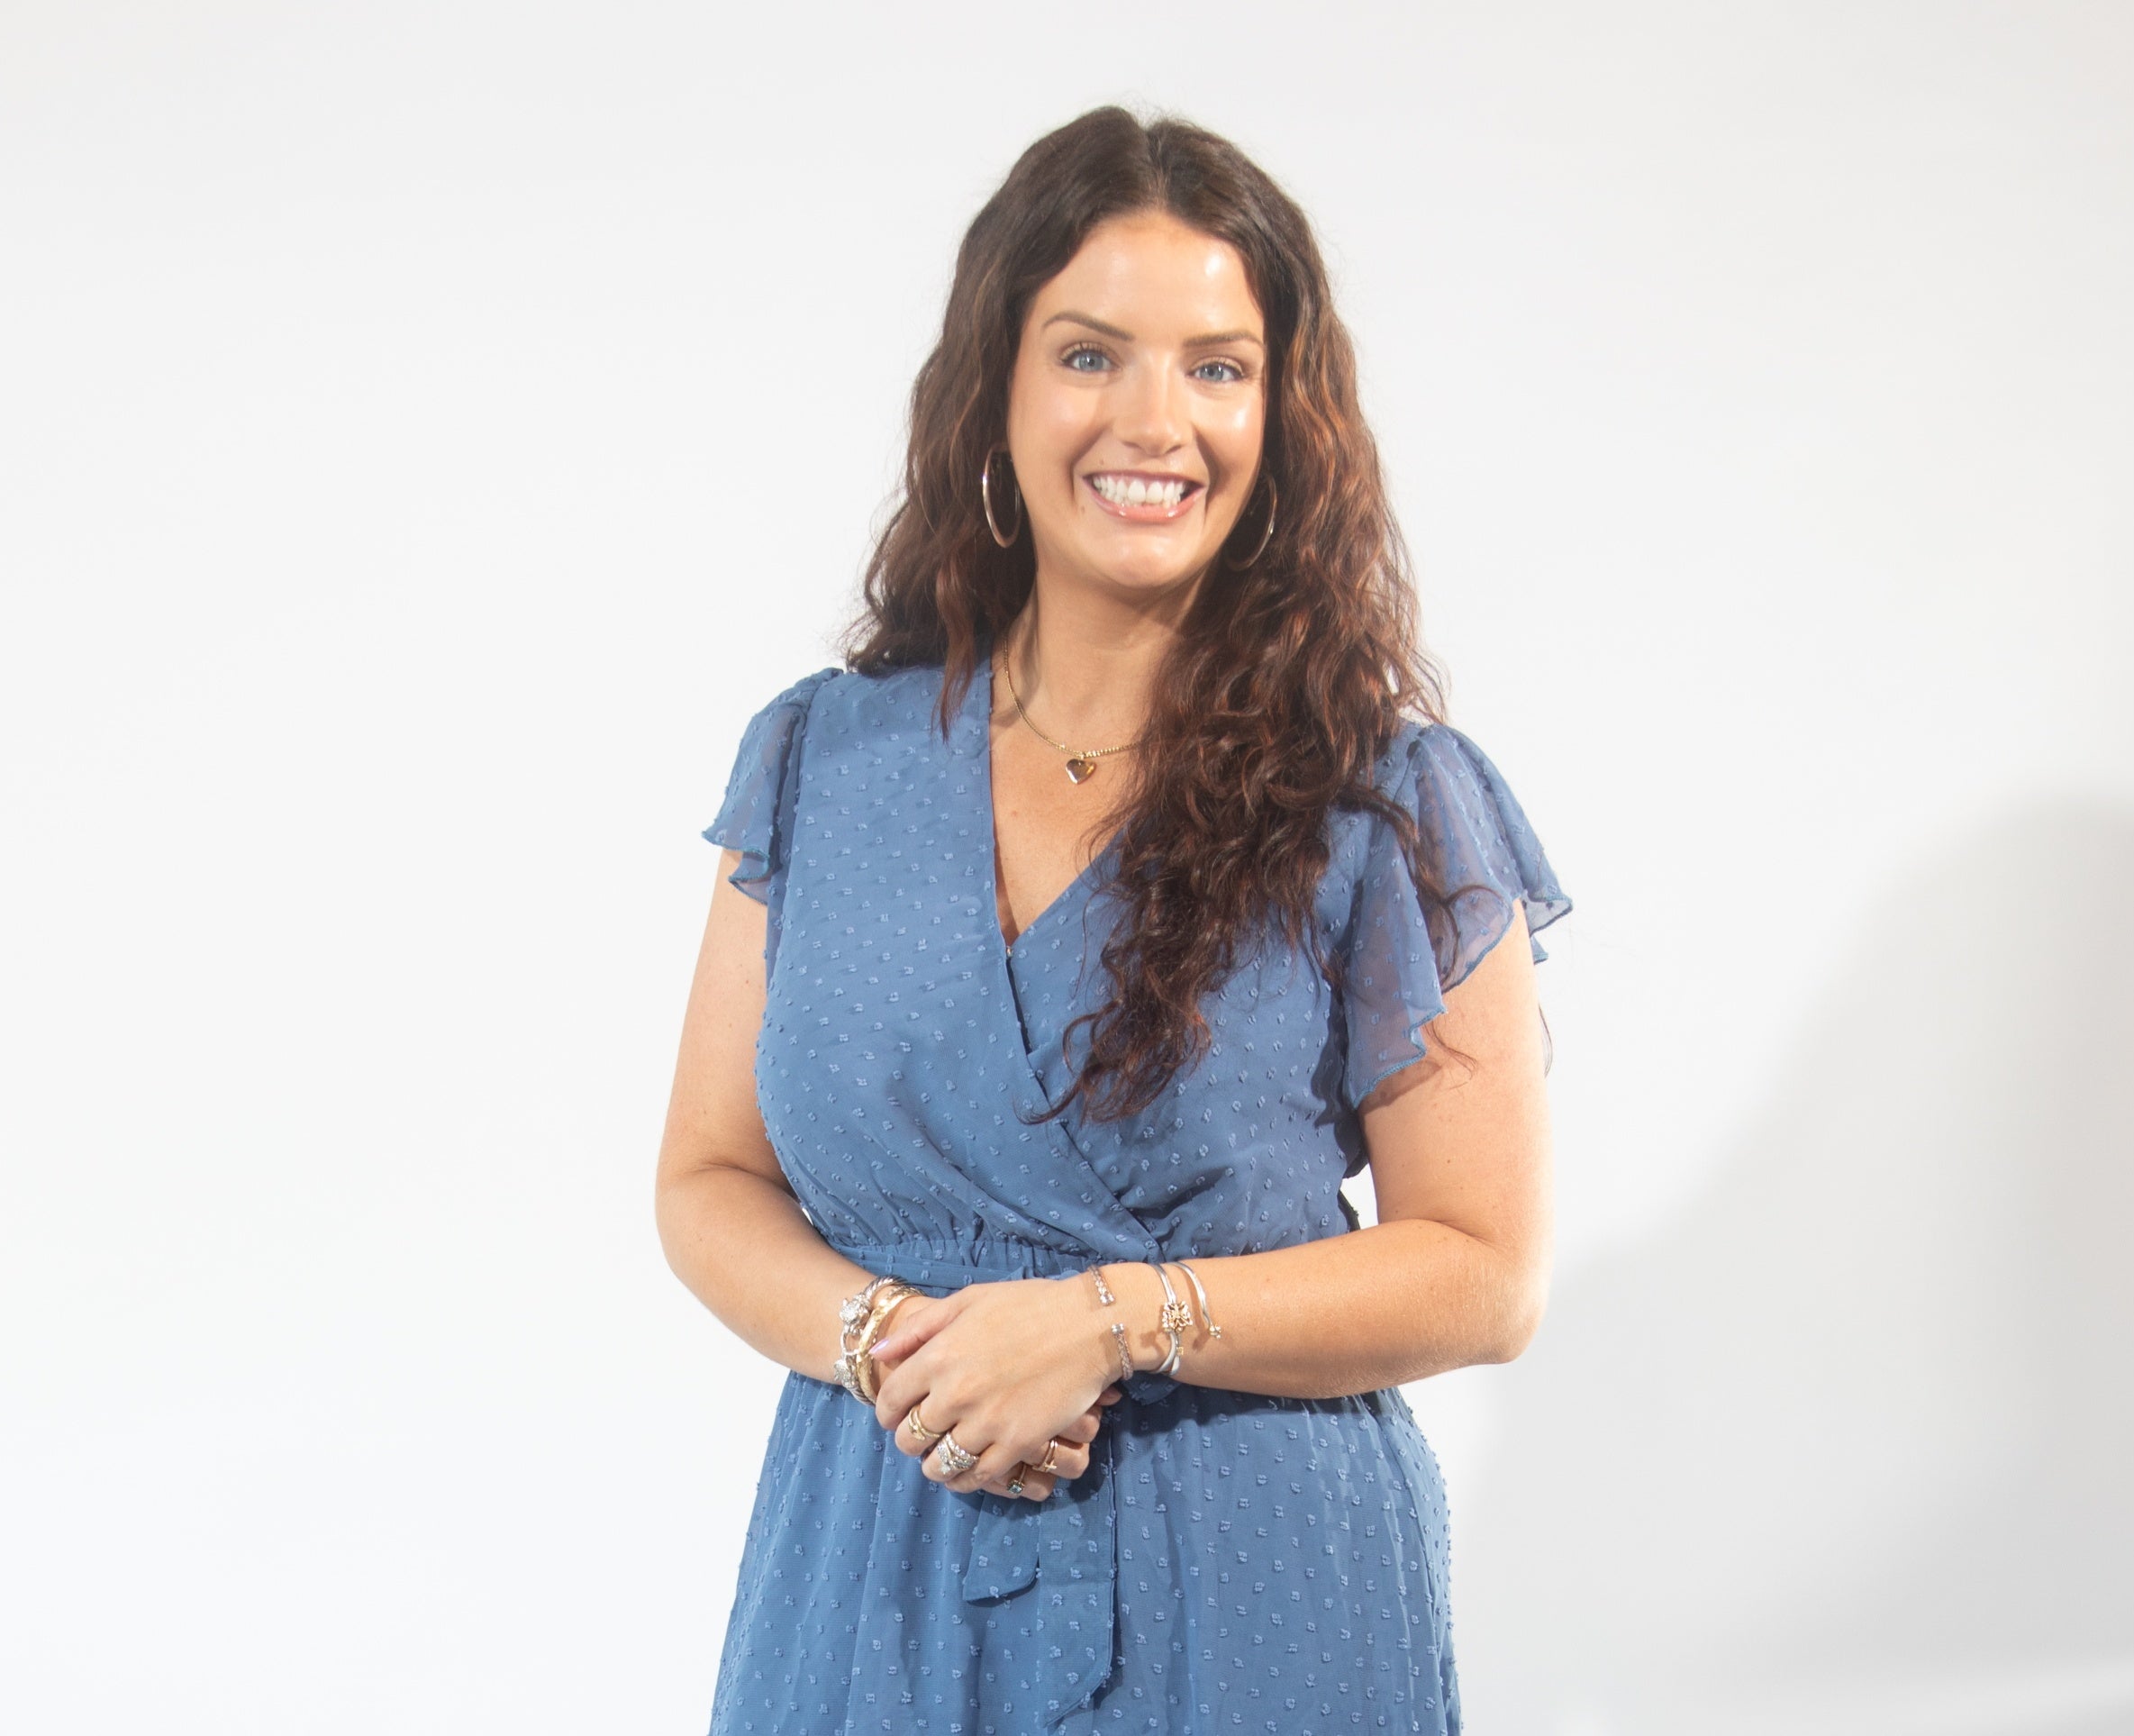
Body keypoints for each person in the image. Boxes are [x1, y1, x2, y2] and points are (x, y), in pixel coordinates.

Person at [656, 105, 1572, 1736]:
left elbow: (1484, 1271)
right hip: (873, 1559)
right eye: (1091, 355)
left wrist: (1107, 1322)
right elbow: (708, 1178)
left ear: (1281, 419)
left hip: (1254, 1575)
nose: (1157, 421)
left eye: (1217, 367)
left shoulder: (1382, 795)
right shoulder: (822, 760)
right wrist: (888, 1348)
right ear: (992, 390)